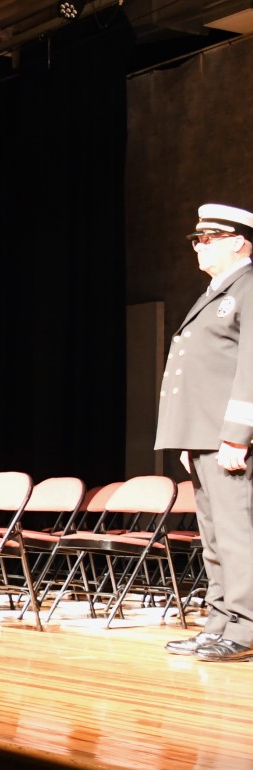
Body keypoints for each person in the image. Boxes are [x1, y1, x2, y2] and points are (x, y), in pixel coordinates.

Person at [157, 203, 253, 663]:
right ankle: (219, 622)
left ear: (238, 241)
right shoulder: (216, 292)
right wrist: (190, 436)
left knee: (236, 535)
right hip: (206, 436)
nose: (198, 246)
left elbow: (250, 368)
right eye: (197, 239)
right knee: (213, 538)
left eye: (208, 239)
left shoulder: (248, 287)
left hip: (230, 440)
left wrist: (237, 435)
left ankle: (246, 627)